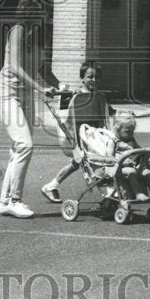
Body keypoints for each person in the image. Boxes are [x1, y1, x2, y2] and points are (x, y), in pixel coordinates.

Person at [0, 0, 62, 219]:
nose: (46, 12)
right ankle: (15, 200)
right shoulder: (18, 31)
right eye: (42, 7)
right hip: (7, 94)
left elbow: (45, 70)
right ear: (31, 8)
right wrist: (40, 87)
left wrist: (61, 87)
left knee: (18, 149)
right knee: (25, 145)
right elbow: (15, 67)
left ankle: (5, 202)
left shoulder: (40, 35)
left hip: (25, 96)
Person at [40, 61, 115, 203]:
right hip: (80, 136)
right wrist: (53, 92)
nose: (94, 80)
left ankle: (51, 186)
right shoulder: (75, 95)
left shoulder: (100, 96)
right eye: (90, 77)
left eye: (97, 77)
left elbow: (110, 112)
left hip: (96, 136)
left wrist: (125, 113)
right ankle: (111, 191)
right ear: (82, 78)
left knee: (77, 163)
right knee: (99, 160)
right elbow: (65, 116)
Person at [108, 111, 150, 202]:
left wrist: (148, 150)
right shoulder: (113, 141)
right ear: (117, 128)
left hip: (134, 166)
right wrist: (122, 162)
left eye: (132, 131)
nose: (131, 134)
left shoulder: (131, 139)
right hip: (119, 168)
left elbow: (139, 150)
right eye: (127, 131)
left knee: (148, 173)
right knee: (132, 172)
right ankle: (138, 193)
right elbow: (109, 158)